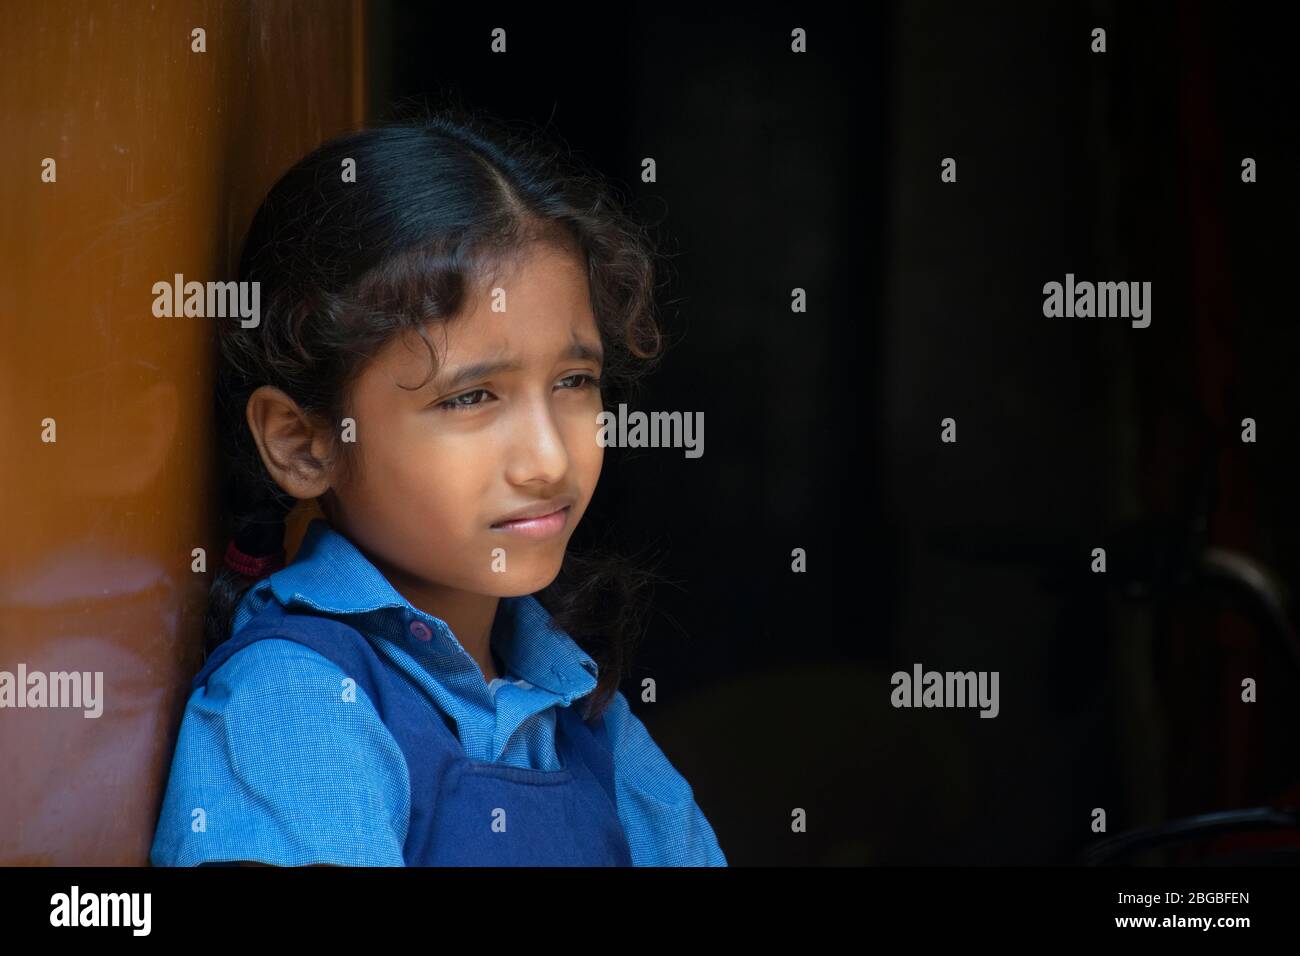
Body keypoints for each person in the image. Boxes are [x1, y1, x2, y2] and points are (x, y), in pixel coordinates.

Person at [149, 110, 726, 867]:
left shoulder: (586, 718)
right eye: (470, 398)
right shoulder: (294, 705)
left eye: (575, 382)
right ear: (303, 443)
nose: (548, 461)